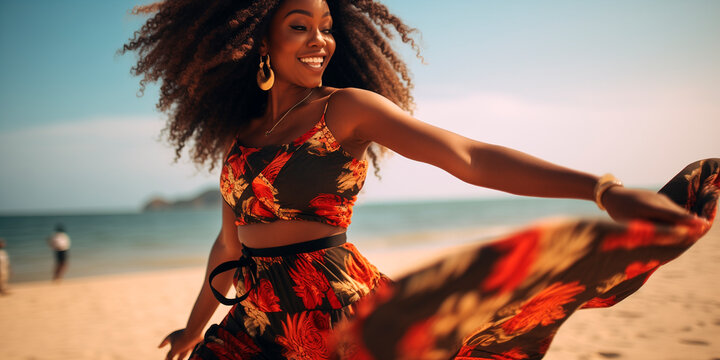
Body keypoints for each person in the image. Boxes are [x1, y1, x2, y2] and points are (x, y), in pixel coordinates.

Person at [121, 1, 706, 358]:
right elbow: (229, 246)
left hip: (336, 319)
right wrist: (195, 330)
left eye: (326, 26)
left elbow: (466, 155)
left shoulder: (345, 108)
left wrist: (600, 189)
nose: (320, 39)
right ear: (260, 40)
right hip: (251, 322)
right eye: (300, 26)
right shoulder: (239, 138)